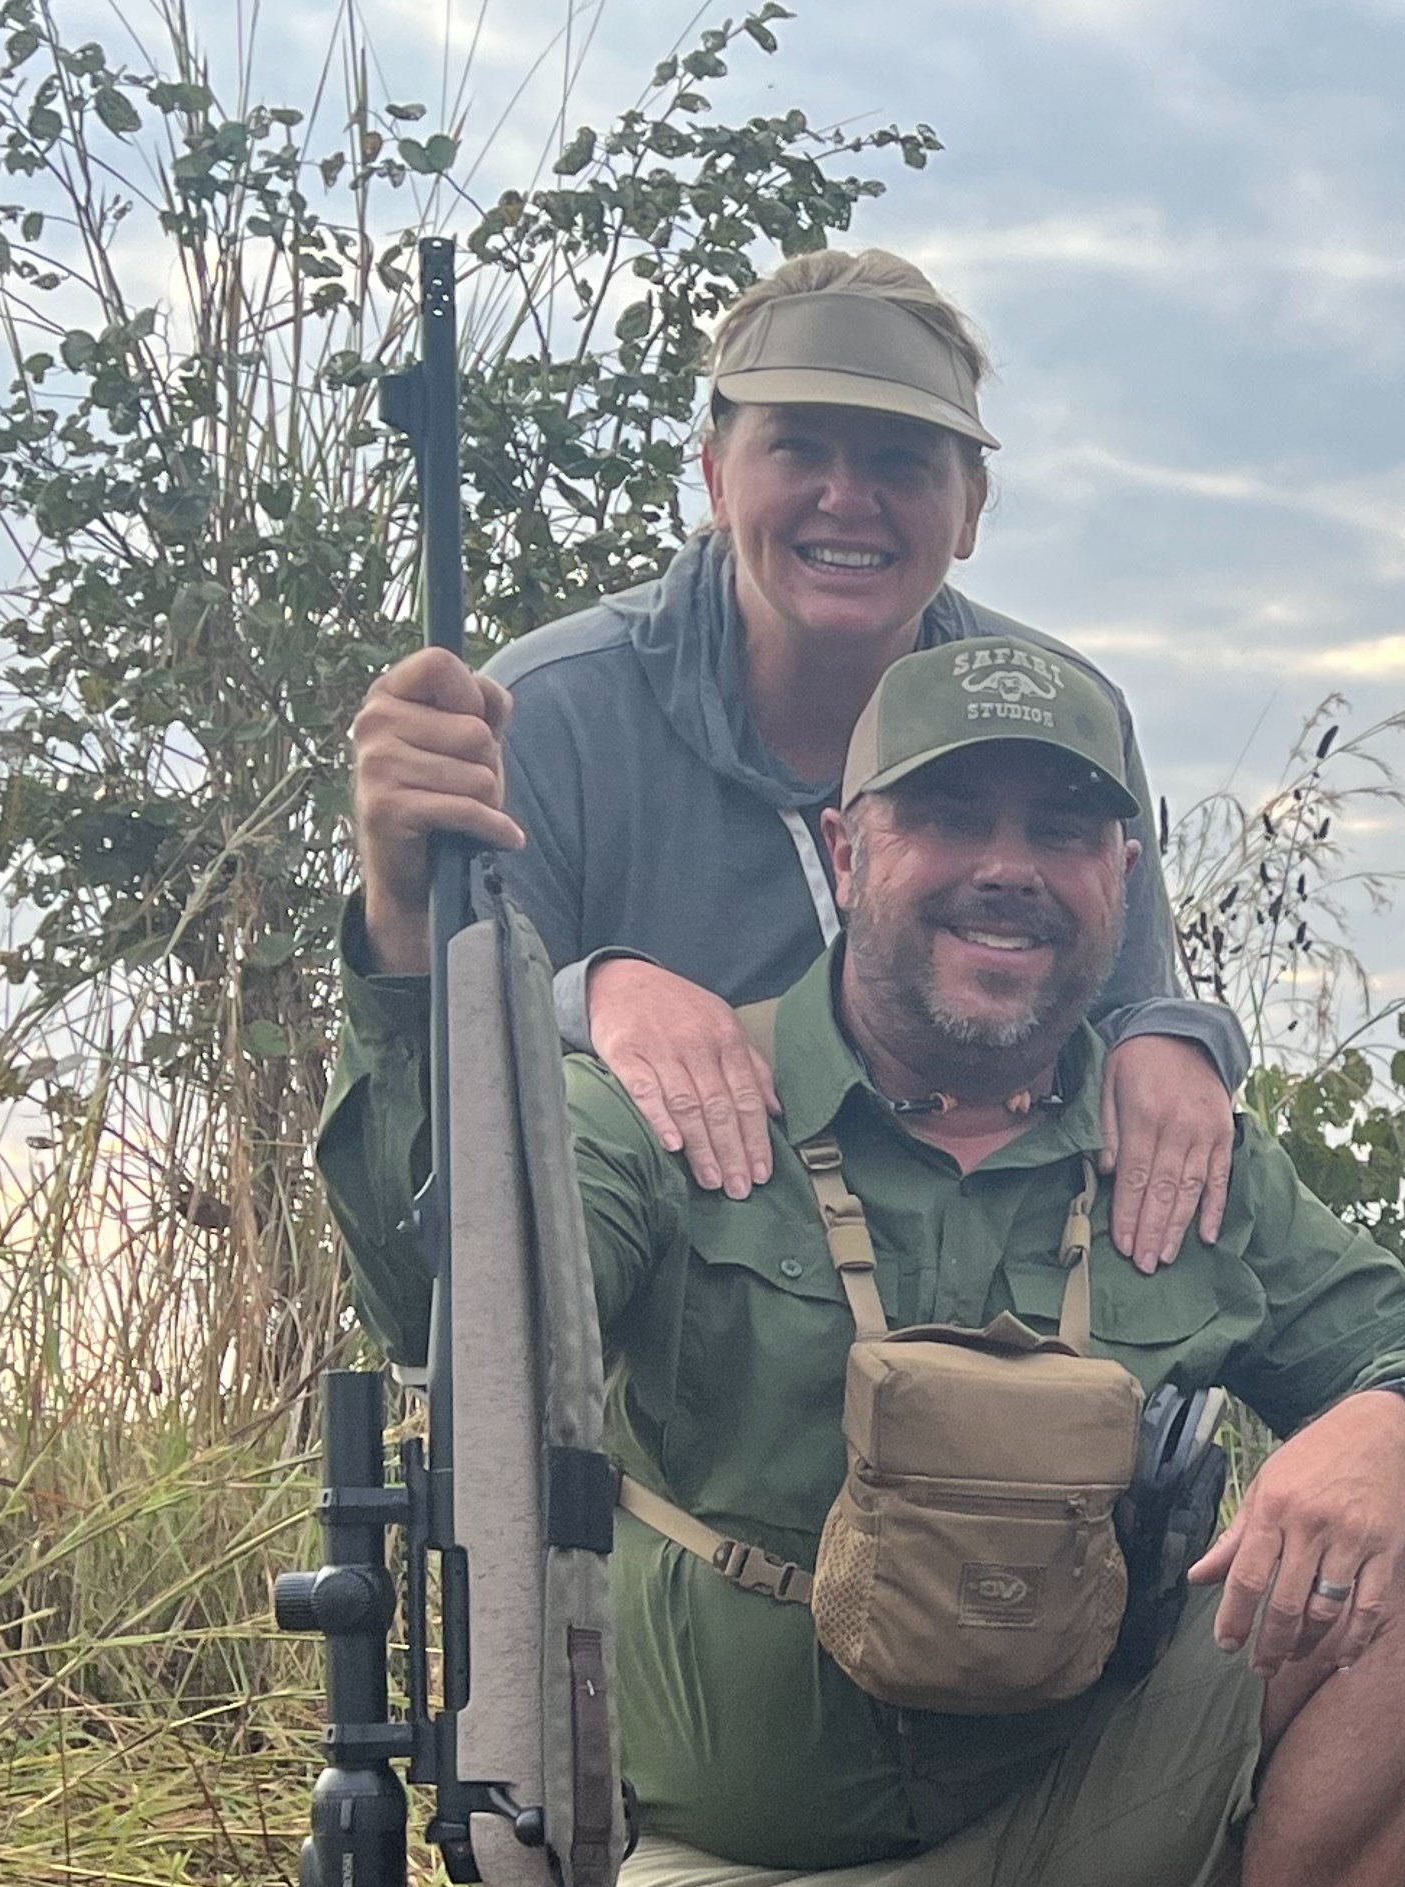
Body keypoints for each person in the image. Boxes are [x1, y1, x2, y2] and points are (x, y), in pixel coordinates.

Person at [320, 637, 1405, 1887]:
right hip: (758, 1857)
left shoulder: (1183, 1149)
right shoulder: (674, 1107)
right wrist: (408, 943)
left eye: (1064, 829)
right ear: (844, 852)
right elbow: (443, 1300)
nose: (1009, 866)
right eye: (948, 814)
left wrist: (1390, 1421)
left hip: (1075, 1796)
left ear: (1120, 883)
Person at [346, 247, 1244, 1273]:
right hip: (678, 1364)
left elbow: (1120, 1008)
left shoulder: (1061, 713)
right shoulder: (547, 716)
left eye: (902, 460)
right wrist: (540, 973)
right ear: (718, 479)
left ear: (972, 509)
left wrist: (1175, 1042)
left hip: (1010, 1345)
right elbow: (432, 1262)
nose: (847, 499)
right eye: (799, 448)